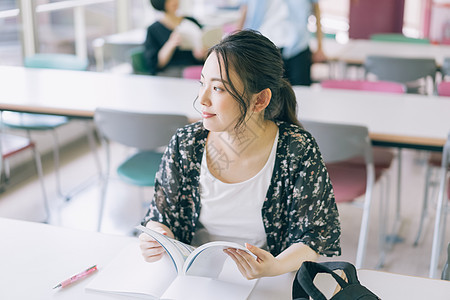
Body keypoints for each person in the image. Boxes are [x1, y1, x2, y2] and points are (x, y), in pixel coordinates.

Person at [139, 30, 341, 279]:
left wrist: (274, 266)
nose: (202, 99)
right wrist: (156, 234)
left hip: (266, 281)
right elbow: (160, 215)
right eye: (202, 84)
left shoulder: (296, 149)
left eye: (218, 89)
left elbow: (314, 236)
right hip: (195, 278)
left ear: (260, 100)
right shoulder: (186, 144)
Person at [237, 0, 326, 86]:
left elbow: (316, 11)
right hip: (264, 47)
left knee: (301, 92)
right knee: (267, 92)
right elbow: (245, 11)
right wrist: (236, 44)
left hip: (298, 46)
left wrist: (320, 47)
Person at [143, 0, 206, 76]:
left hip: (195, 68)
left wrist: (202, 53)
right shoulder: (153, 29)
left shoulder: (191, 21)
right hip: (171, 72)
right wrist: (171, 43)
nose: (174, 1)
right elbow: (155, 64)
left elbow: (205, 51)